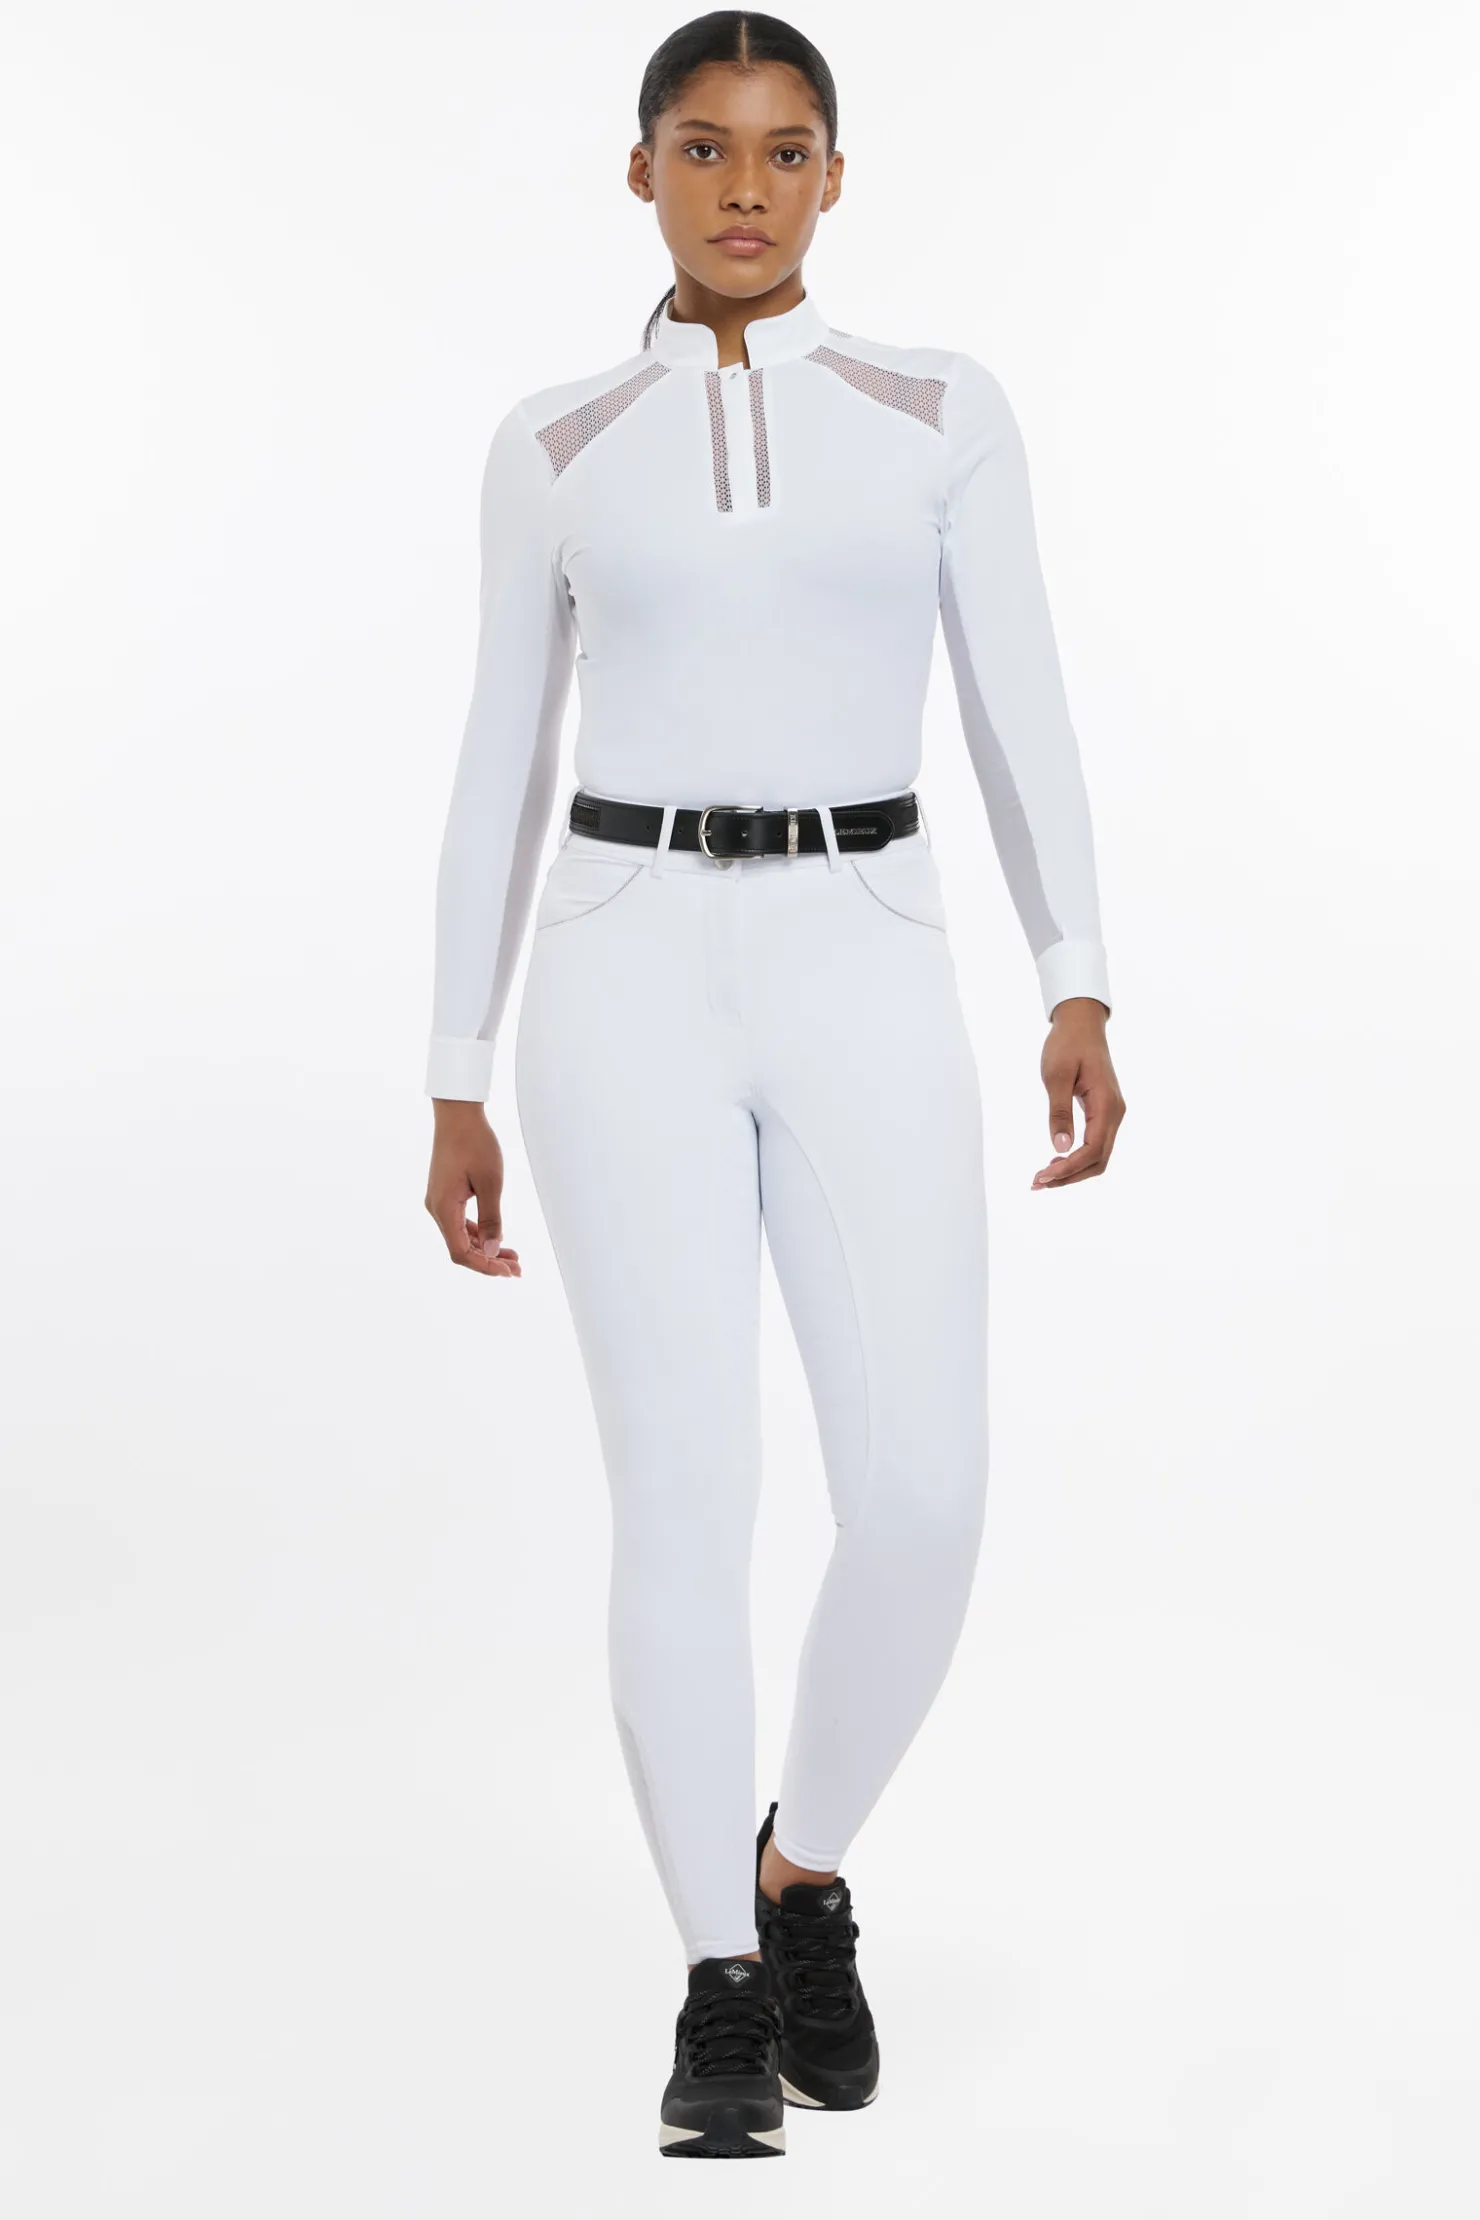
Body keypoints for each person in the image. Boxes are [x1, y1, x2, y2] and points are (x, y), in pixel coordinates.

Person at [422, 8, 1126, 2161]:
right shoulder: (555, 442)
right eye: (705, 146)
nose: (744, 186)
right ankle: (719, 1981)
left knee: (920, 1491)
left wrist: (1076, 977)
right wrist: (452, 1068)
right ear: (638, 169)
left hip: (864, 944)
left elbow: (1018, 701)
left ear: (835, 175)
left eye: (786, 148)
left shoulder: (936, 409)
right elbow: (499, 759)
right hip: (620, 958)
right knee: (687, 1495)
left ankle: (799, 1862)